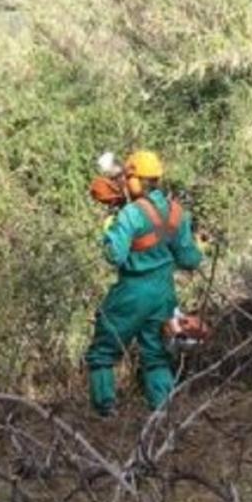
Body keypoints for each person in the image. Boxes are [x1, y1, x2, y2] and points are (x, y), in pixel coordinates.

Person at [85, 150, 203, 416]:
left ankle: (105, 413)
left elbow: (114, 255)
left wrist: (110, 226)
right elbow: (190, 260)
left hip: (132, 293)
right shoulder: (177, 213)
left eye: (127, 178)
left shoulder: (130, 214)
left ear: (136, 180)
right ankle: (163, 415)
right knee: (156, 356)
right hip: (164, 295)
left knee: (102, 352)